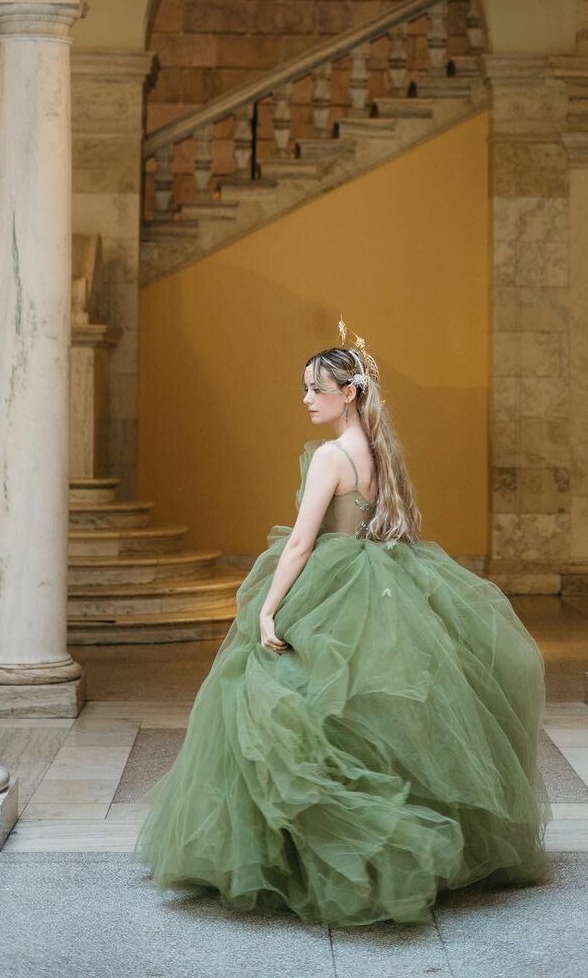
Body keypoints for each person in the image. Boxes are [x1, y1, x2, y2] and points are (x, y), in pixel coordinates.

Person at [134, 320, 551, 927]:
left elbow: (302, 542)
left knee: (283, 704)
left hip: (334, 582)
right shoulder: (380, 451)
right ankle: (377, 845)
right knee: (366, 712)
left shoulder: (331, 456)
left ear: (348, 393)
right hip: (381, 578)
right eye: (305, 387)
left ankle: (320, 857)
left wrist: (268, 607)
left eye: (317, 388)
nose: (306, 398)